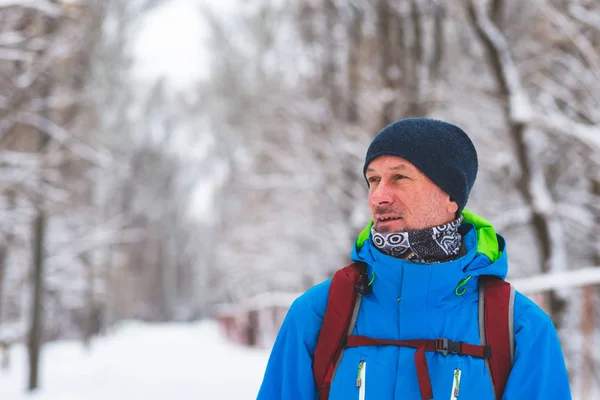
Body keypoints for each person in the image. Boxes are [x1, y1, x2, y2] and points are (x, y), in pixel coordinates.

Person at [256, 118, 571, 399]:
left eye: (399, 178)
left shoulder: (519, 330)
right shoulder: (318, 315)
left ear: (450, 197)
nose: (379, 195)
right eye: (373, 180)